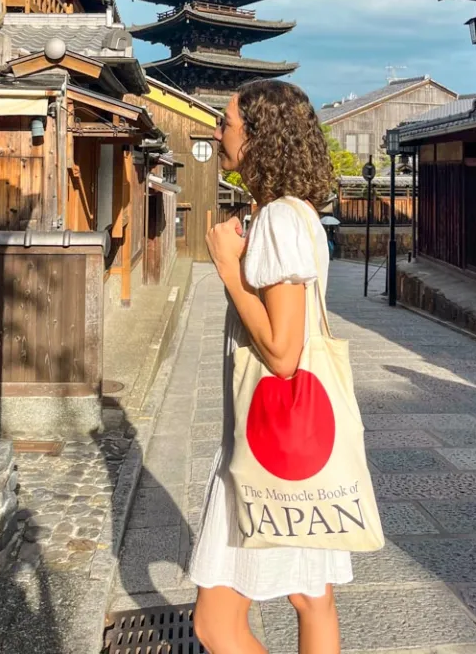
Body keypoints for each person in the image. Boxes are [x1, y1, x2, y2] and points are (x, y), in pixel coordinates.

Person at [190, 80, 352, 654]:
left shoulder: (281, 220)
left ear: (259, 137)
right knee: (313, 598)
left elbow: (283, 352)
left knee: (216, 624)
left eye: (226, 123)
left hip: (266, 446)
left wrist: (229, 268)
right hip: (292, 447)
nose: (218, 133)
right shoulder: (296, 214)